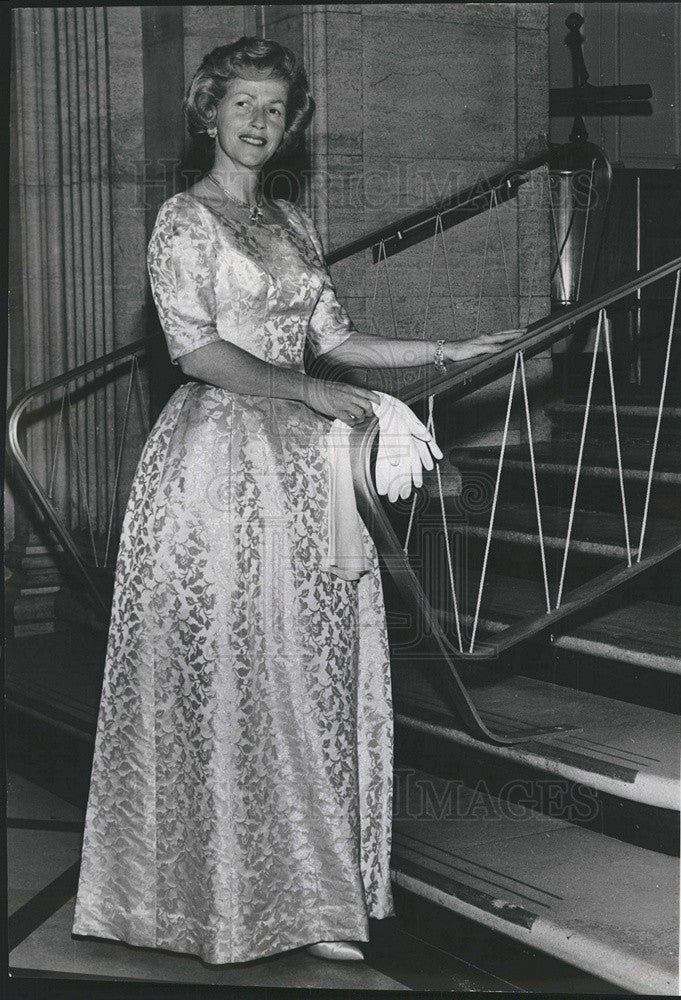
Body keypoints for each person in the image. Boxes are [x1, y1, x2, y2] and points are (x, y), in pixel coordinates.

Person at [71, 36, 522, 967]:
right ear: (208, 111)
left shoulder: (291, 226)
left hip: (305, 477)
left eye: (276, 109)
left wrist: (449, 349)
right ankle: (198, 897)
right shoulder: (181, 221)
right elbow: (196, 351)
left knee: (309, 675)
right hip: (212, 470)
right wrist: (308, 391)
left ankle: (312, 897)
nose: (259, 123)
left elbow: (338, 339)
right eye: (242, 104)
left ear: (292, 123)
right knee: (229, 677)